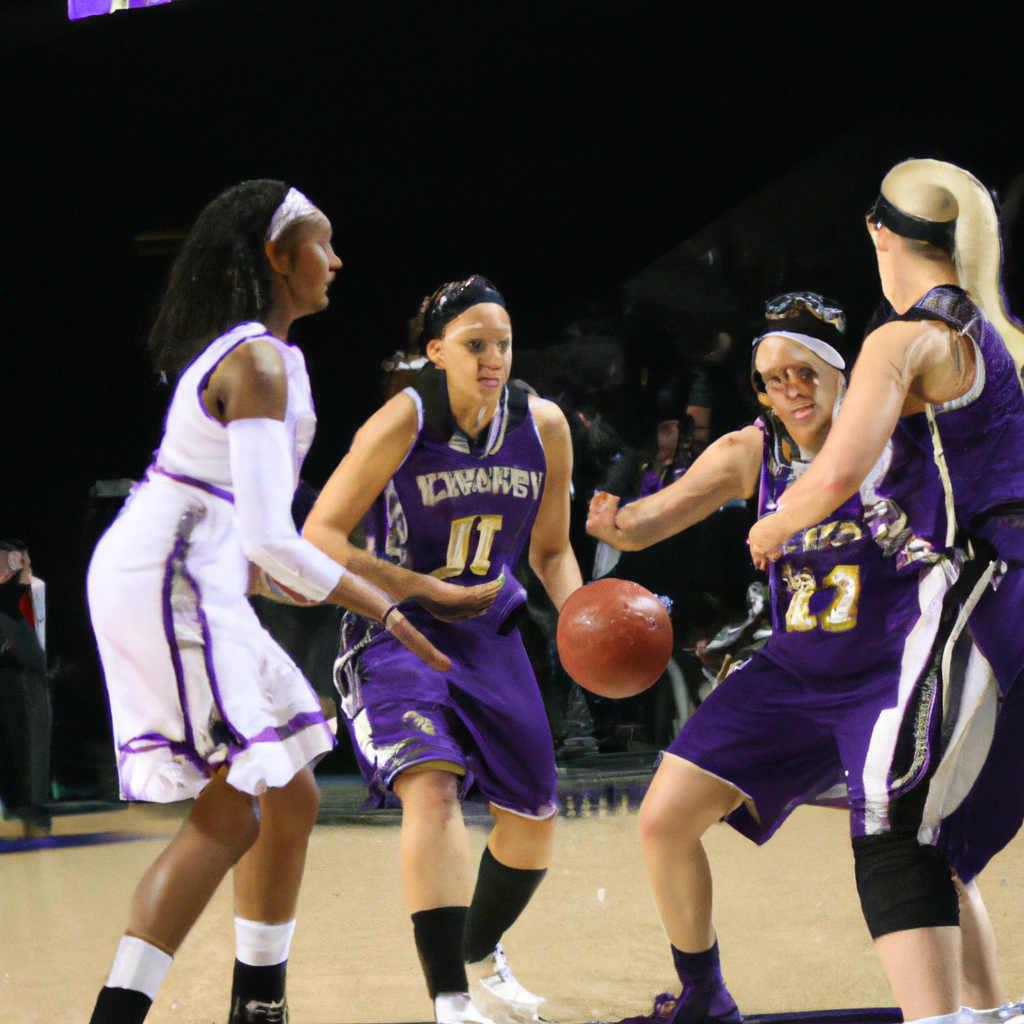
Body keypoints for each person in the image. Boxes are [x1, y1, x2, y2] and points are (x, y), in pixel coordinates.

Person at [86, 181, 496, 1024]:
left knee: (293, 793)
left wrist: (371, 592)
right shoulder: (259, 360)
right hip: (167, 576)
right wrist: (388, 607)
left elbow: (262, 550)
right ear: (276, 255)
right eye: (323, 242)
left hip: (201, 573)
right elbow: (275, 542)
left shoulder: (267, 355)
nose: (337, 260)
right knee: (233, 810)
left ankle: (259, 1006)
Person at [587, 292, 997, 1024]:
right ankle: (704, 995)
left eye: (805, 372)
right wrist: (615, 516)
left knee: (924, 853)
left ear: (848, 374)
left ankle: (992, 1008)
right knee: (663, 819)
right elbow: (656, 519)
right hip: (793, 674)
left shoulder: (912, 437)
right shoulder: (753, 451)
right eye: (773, 378)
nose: (789, 391)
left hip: (893, 676)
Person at [745, 158, 1024, 1013]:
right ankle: (990, 1010)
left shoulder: (901, 339)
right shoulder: (998, 333)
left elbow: (836, 469)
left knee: (894, 823)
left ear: (877, 232)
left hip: (987, 590)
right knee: (938, 831)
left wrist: (776, 522)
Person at [303, 276, 583, 1024]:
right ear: (436, 352)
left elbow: (552, 550)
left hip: (490, 632)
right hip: (399, 628)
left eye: (503, 343)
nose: (494, 358)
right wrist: (419, 585)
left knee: (533, 820)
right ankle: (451, 1002)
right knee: (431, 785)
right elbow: (320, 536)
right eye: (474, 345)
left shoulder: (544, 424)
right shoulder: (404, 419)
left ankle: (480, 950)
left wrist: (585, 618)